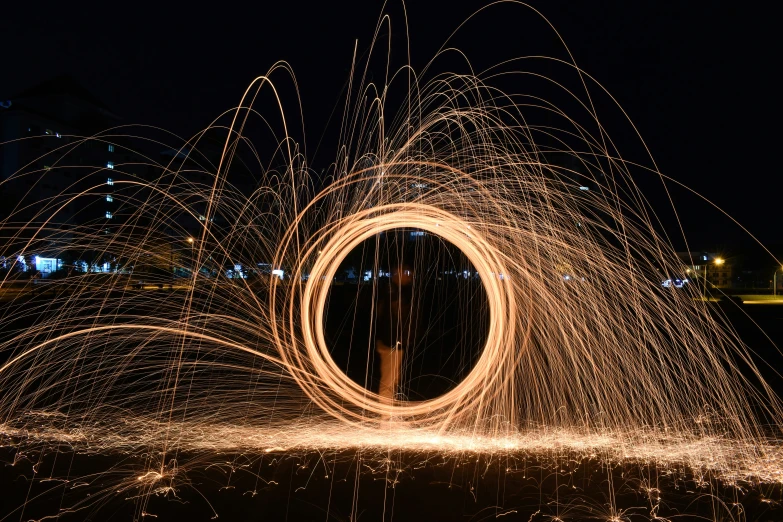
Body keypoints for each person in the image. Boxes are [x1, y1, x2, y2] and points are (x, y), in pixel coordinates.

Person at [375, 264, 413, 406]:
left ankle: (389, 415)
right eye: (407, 272)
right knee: (389, 381)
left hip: (394, 341)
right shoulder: (393, 292)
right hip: (391, 341)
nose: (410, 276)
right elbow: (394, 317)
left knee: (394, 379)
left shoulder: (396, 291)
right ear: (398, 273)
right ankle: (386, 419)